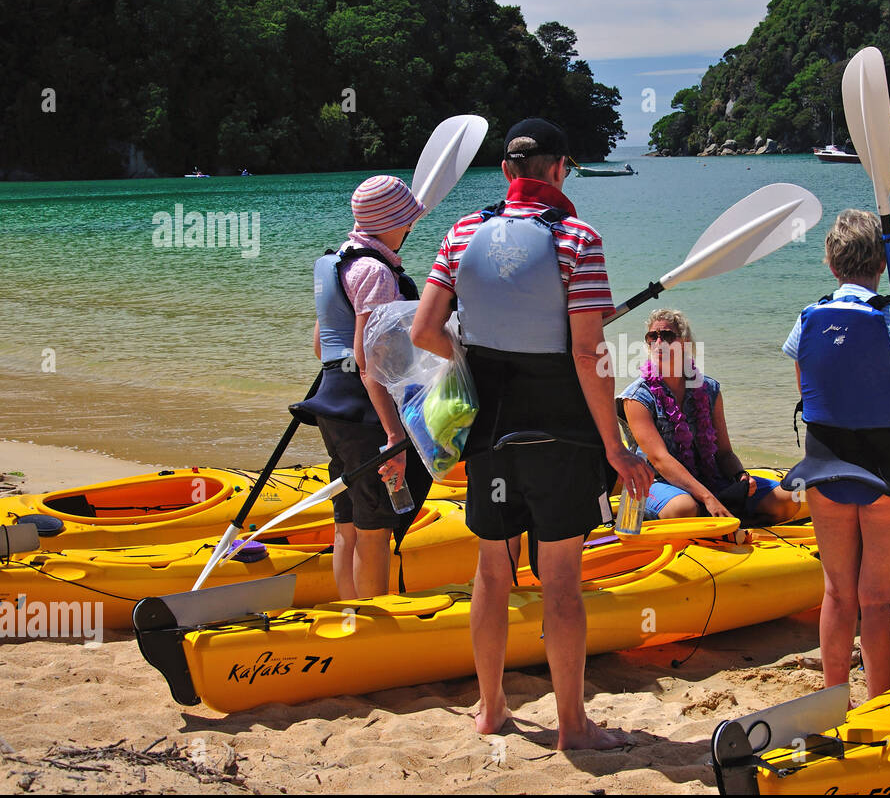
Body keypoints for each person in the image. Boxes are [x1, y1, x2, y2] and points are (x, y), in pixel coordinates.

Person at [411, 117, 653, 750]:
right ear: (560, 169)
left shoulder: (461, 232)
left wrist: (475, 366)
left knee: (491, 573)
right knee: (562, 583)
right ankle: (572, 725)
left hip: (488, 431)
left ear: (506, 173)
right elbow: (585, 351)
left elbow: (424, 333)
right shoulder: (578, 238)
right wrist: (616, 446)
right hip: (562, 434)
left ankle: (490, 710)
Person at [781, 209, 890, 699]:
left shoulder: (808, 317)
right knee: (878, 602)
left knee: (837, 593)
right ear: (882, 259)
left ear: (832, 263)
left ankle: (833, 699)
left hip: (823, 470)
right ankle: (878, 703)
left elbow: (809, 393)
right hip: (887, 475)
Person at [291, 174, 432, 600]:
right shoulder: (376, 272)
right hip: (368, 412)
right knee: (376, 525)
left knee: (348, 521)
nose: (411, 228)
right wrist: (393, 434)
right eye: (407, 221)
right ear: (392, 222)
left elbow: (321, 345)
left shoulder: (337, 261)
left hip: (332, 405)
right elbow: (371, 358)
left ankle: (353, 614)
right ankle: (375, 620)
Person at [618, 309, 800, 524]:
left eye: (667, 335)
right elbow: (659, 460)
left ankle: (734, 526)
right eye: (652, 337)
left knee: (789, 499)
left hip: (707, 476)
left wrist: (740, 476)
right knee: (683, 508)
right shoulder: (637, 397)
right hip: (655, 482)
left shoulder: (709, 389)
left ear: (684, 342)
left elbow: (724, 452)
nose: (659, 342)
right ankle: (708, 517)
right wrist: (707, 497)